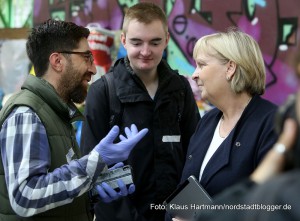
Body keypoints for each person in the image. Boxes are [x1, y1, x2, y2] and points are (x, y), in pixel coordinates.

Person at [0, 19, 148, 221]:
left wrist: (92, 189)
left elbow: (50, 188)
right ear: (58, 61)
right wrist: (96, 160)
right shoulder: (27, 113)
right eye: (87, 57)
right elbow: (26, 197)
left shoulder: (56, 112)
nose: (93, 69)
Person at [80, 2, 200, 221]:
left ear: (166, 39)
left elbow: (195, 156)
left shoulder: (181, 89)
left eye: (155, 42)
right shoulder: (103, 92)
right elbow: (90, 167)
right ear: (124, 40)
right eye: (137, 42)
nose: (146, 52)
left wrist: (185, 212)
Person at [169, 28, 278, 220]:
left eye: (201, 65)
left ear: (230, 68)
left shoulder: (271, 124)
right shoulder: (207, 122)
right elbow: (185, 188)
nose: (194, 75)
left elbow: (271, 208)